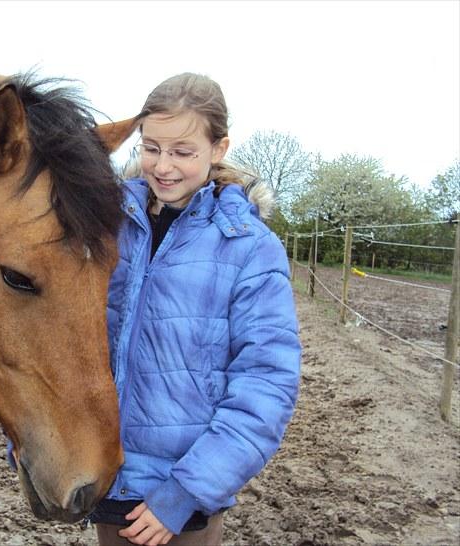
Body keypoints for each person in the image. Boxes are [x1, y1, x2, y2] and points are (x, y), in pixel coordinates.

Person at [88, 73, 301, 546]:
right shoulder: (106, 230)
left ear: (218, 148)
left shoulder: (250, 250)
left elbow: (267, 385)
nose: (163, 166)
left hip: (183, 504)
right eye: (151, 148)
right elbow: (63, 339)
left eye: (183, 152)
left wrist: (184, 493)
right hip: (107, 478)